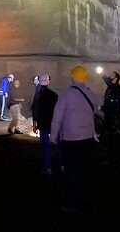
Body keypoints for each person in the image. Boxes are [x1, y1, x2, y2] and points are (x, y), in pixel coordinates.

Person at [50, 66, 98, 214]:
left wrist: (53, 138)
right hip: (88, 139)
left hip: (71, 140)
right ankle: (86, 201)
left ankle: (72, 204)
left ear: (72, 77)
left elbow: (57, 118)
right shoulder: (91, 94)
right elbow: (95, 111)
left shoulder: (66, 94)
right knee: (85, 171)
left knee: (71, 173)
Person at [31, 72, 60, 175]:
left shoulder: (38, 95)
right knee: (57, 144)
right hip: (54, 123)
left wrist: (34, 123)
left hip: (43, 123)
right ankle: (61, 165)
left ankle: (48, 168)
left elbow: (35, 109)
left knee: (45, 146)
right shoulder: (54, 95)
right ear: (48, 81)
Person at [101, 71, 120, 169]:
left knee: (116, 140)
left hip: (115, 119)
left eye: (112, 75)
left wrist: (103, 108)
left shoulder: (117, 89)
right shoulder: (112, 88)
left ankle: (119, 161)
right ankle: (113, 160)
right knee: (111, 140)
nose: (110, 75)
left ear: (116, 78)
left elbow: (114, 105)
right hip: (111, 118)